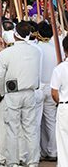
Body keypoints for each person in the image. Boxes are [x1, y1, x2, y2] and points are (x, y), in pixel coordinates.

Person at [0, 21, 41, 167]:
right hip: (30, 92)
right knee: (30, 129)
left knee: (12, 129)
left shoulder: (6, 53)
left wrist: (2, 92)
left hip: (13, 93)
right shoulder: (36, 51)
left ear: (15, 35)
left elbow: (0, 77)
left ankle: (13, 161)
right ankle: (33, 161)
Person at [36, 21, 58, 161]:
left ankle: (37, 152)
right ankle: (51, 151)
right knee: (50, 121)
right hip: (52, 86)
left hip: (40, 87)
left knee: (36, 122)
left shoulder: (36, 48)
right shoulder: (57, 48)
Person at [50, 37, 68, 167]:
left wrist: (60, 102)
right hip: (64, 105)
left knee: (63, 141)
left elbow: (54, 93)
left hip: (65, 106)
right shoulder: (60, 68)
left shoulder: (60, 69)